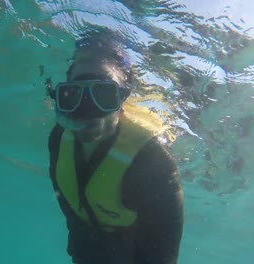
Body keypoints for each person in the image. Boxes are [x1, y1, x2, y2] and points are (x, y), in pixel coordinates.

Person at [46, 29, 183, 264]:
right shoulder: (58, 137)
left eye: (104, 95)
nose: (88, 111)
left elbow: (163, 251)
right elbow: (66, 199)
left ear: (122, 102)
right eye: (73, 95)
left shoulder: (152, 160)